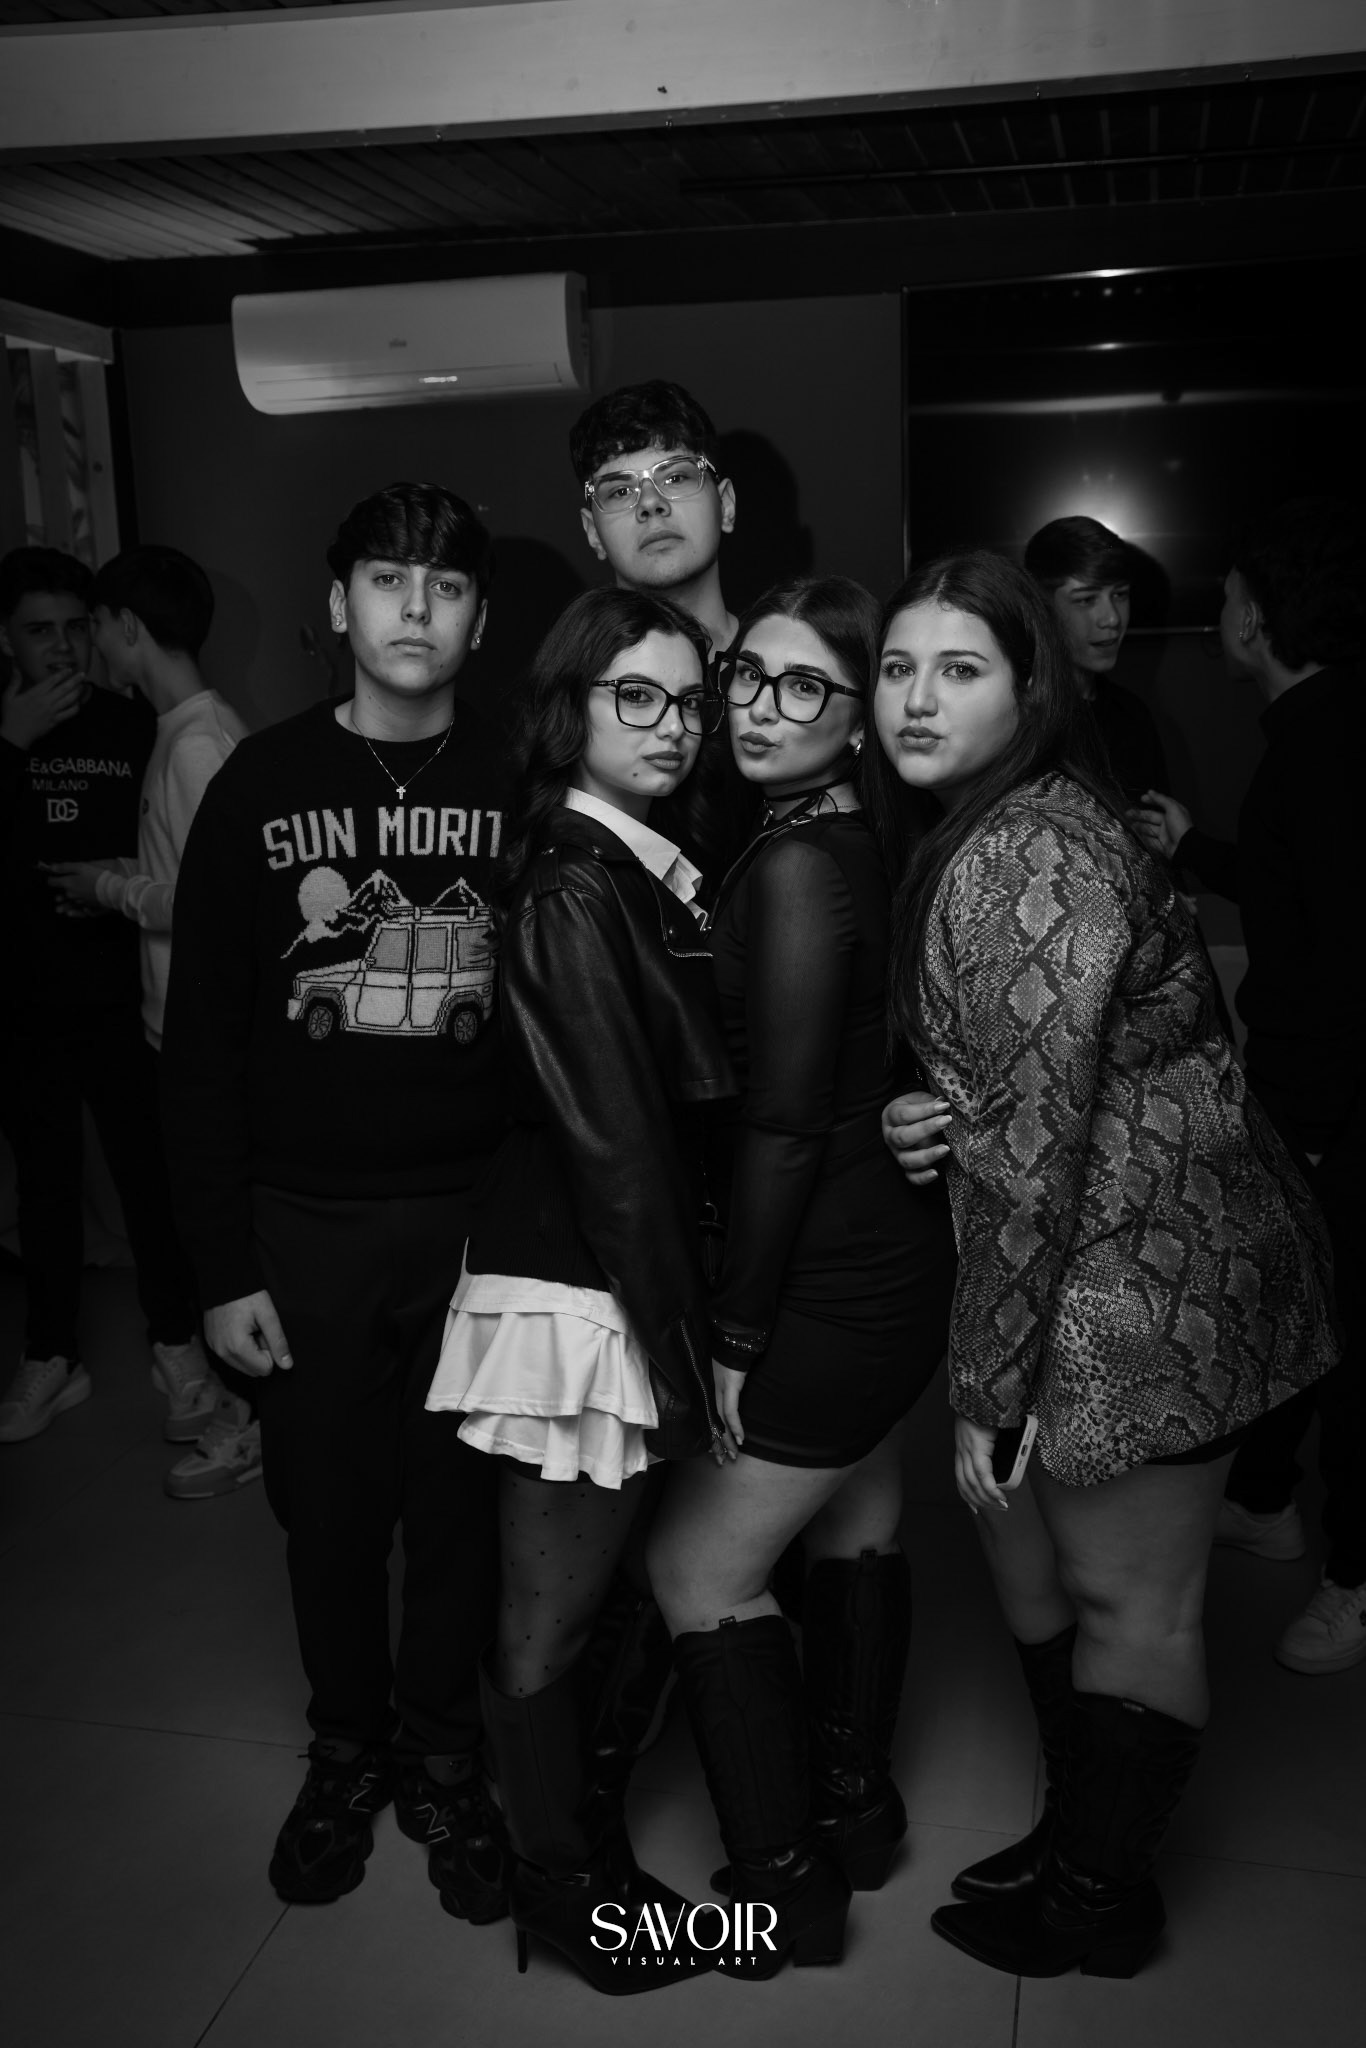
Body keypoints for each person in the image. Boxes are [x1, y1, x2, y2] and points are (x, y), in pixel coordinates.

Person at [870, 550, 1336, 1980]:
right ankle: (1080, 1833)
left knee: (1133, 1601)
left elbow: (1035, 1159)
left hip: (1147, 1286)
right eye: (896, 667)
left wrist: (984, 1388)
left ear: (1027, 690)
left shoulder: (1028, 850)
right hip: (1107, 1261)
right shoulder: (998, 822)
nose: (915, 697)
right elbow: (1048, 1073)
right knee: (1049, 1573)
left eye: (958, 669)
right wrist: (935, 1106)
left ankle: (1098, 1897)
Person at [160, 483, 509, 1920]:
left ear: (479, 617)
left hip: (480, 1222)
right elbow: (198, 1047)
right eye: (385, 580)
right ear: (337, 605)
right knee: (330, 1516)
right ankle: (346, 1750)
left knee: (461, 1514)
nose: (414, 609)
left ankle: (444, 1757)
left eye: (444, 586)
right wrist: (218, 1265)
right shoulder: (259, 781)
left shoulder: (526, 778)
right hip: (301, 1228)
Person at [645, 577, 958, 1978]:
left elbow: (777, 1122)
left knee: (694, 1566)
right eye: (746, 681)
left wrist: (734, 1330)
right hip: (889, 1252)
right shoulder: (861, 838)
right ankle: (854, 1805)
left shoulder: (794, 864)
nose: (759, 710)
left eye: (803, 688)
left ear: (856, 715)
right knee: (859, 1514)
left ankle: (783, 1888)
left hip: (831, 1272)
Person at [425, 585, 733, 1992]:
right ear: (571, 710)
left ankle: (564, 1855)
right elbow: (619, 1154)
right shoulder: (571, 882)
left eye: (687, 699)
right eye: (636, 698)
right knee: (545, 1619)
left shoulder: (632, 862)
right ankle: (561, 1891)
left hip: (604, 1278)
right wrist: (683, 1350)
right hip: (580, 1296)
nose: (672, 726)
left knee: (591, 1600)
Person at [1132, 498, 1366, 1675]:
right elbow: (1298, 891)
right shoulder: (1314, 734)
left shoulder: (1326, 748)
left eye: (1226, 598)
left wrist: (1314, 1127)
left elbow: (1346, 955)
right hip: (1307, 1098)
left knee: (1344, 1339)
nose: (1216, 614)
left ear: (1258, 620)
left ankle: (1356, 1577)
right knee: (1286, 1314)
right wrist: (1195, 846)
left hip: (1333, 1109)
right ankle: (1268, 1502)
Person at [44, 545, 254, 1499]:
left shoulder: (200, 741)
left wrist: (110, 890)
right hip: (178, 1026)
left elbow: (220, 902)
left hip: (203, 1036)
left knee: (220, 1238)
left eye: (94, 623)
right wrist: (119, 879)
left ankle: (248, 1420)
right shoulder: (180, 730)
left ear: (128, 627)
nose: (89, 643)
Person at [0, 546, 209, 1448]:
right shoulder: (3, 727)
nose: (62, 647)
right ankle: (50, 1354)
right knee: (44, 1189)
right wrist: (9, 743)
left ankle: (178, 1346)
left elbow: (172, 860)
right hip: (24, 1001)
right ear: (6, 638)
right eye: (38, 630)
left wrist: (116, 886)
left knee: (148, 1185)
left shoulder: (135, 727)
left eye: (76, 627)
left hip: (125, 997)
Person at [1024, 515, 1169, 800]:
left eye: (1120, 595)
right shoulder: (1018, 717)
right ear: (1042, 607)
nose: (1112, 618)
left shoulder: (1132, 716)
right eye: (1086, 599)